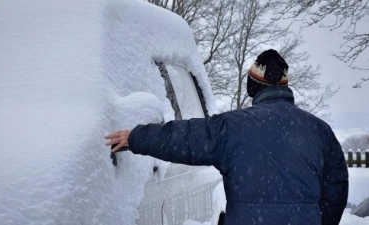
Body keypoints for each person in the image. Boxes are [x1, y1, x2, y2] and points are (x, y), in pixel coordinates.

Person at [105, 49, 348, 225]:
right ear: (284, 87)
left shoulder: (232, 127)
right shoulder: (320, 131)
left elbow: (184, 138)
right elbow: (336, 193)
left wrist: (136, 137)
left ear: (253, 86)